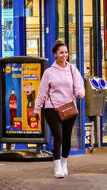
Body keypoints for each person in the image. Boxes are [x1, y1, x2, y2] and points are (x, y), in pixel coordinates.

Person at [34, 40, 84, 178]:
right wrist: (37, 108)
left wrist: (80, 92)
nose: (64, 55)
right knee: (58, 135)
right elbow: (42, 92)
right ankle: (56, 166)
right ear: (55, 54)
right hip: (52, 109)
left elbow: (79, 84)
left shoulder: (72, 69)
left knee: (67, 137)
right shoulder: (49, 72)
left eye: (66, 52)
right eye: (61, 52)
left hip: (68, 108)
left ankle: (64, 163)